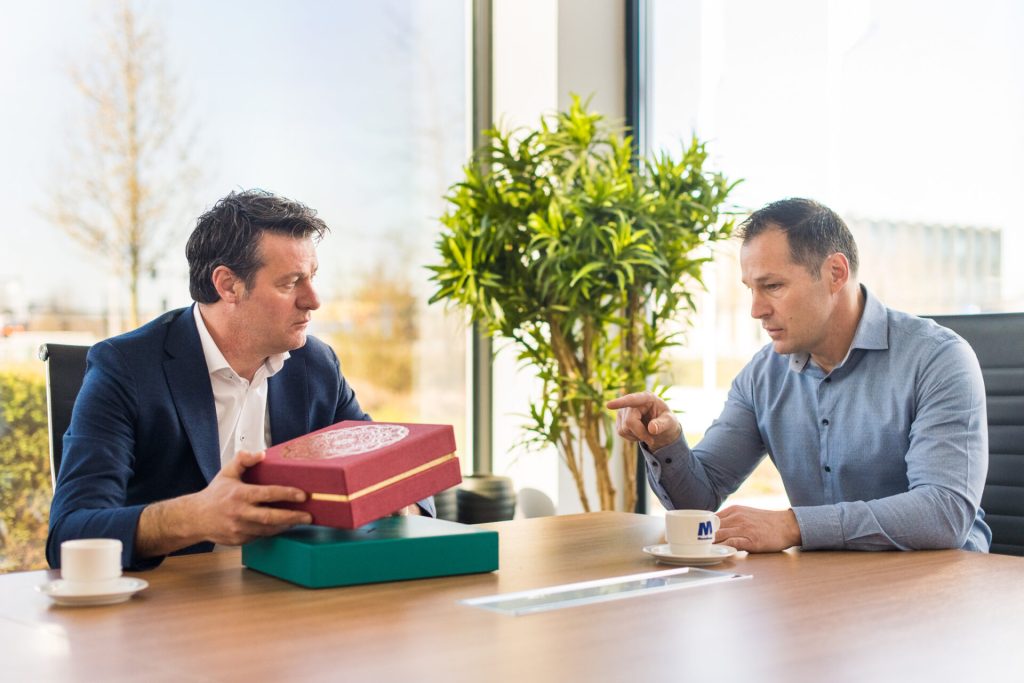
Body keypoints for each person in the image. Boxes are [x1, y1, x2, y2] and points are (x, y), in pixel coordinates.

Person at [47, 189, 432, 570]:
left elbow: (393, 474)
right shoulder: (126, 367)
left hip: (295, 594)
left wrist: (403, 502)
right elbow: (70, 534)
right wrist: (195, 517)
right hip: (171, 611)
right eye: (290, 282)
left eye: (312, 277)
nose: (313, 299)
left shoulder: (315, 365)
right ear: (228, 285)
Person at [608, 198, 991, 553]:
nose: (756, 310)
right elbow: (699, 502)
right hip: (824, 587)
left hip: (941, 590)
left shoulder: (938, 359)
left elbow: (944, 512)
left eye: (772, 286)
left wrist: (794, 525)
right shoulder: (763, 375)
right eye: (751, 290)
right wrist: (668, 444)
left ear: (835, 273)